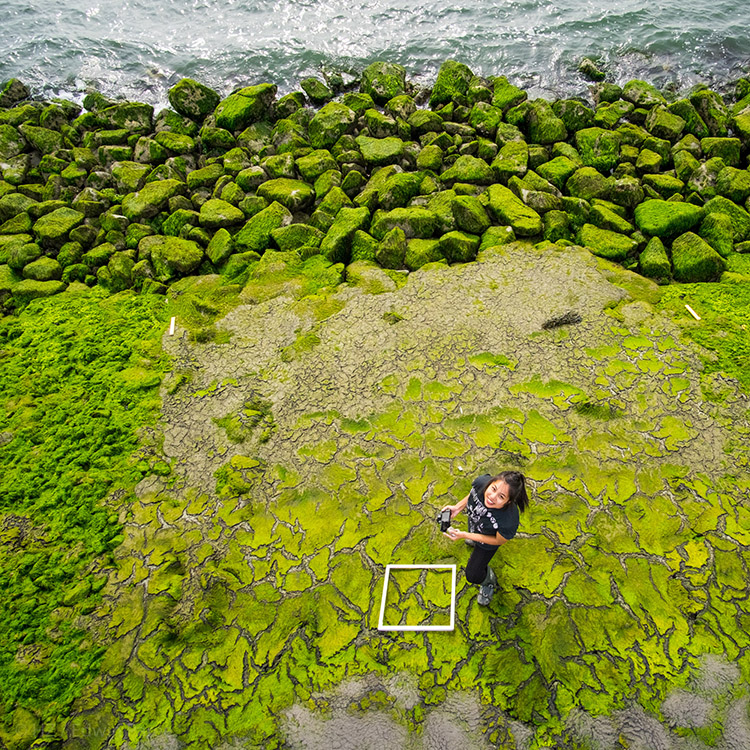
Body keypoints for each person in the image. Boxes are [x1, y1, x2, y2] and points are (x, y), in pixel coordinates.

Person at [441, 471, 529, 606]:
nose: (492, 497)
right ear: (490, 483)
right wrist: (457, 508)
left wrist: (465, 535)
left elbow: (498, 540)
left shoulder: (508, 520)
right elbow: (473, 494)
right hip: (476, 524)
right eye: (493, 489)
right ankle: (474, 539)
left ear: (508, 501)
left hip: (487, 542)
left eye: (501, 496)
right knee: (473, 533)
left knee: (473, 575)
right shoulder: (481, 482)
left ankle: (488, 580)